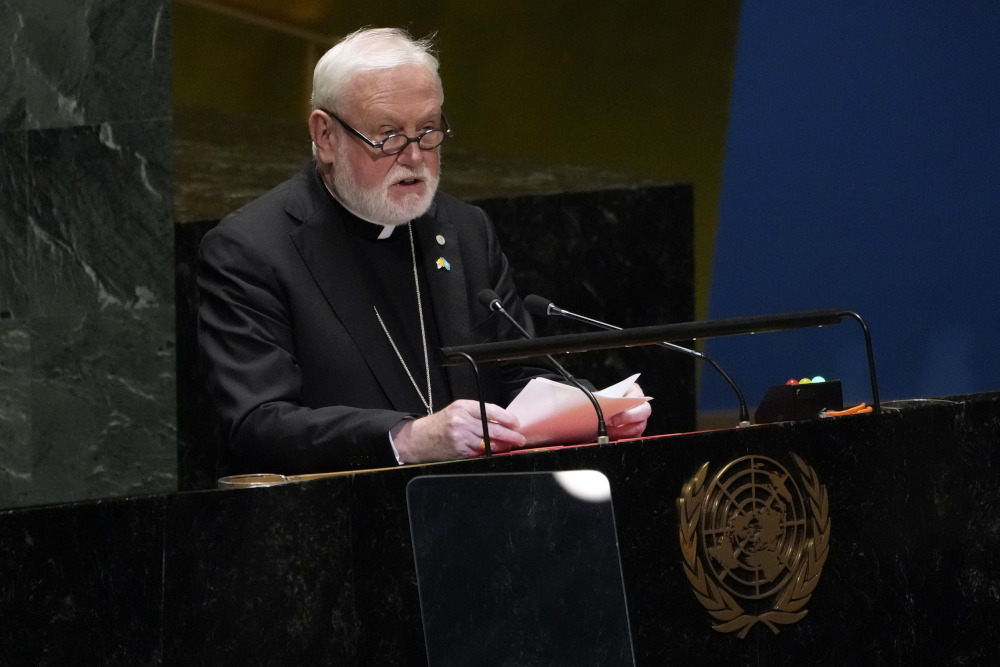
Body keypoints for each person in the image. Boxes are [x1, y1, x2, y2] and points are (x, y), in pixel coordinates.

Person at [197, 27, 650, 476]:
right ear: (325, 136)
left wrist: (593, 408)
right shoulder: (252, 250)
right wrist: (405, 439)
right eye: (389, 134)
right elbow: (259, 425)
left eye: (428, 130)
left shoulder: (465, 231)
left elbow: (515, 377)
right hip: (338, 525)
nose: (414, 156)